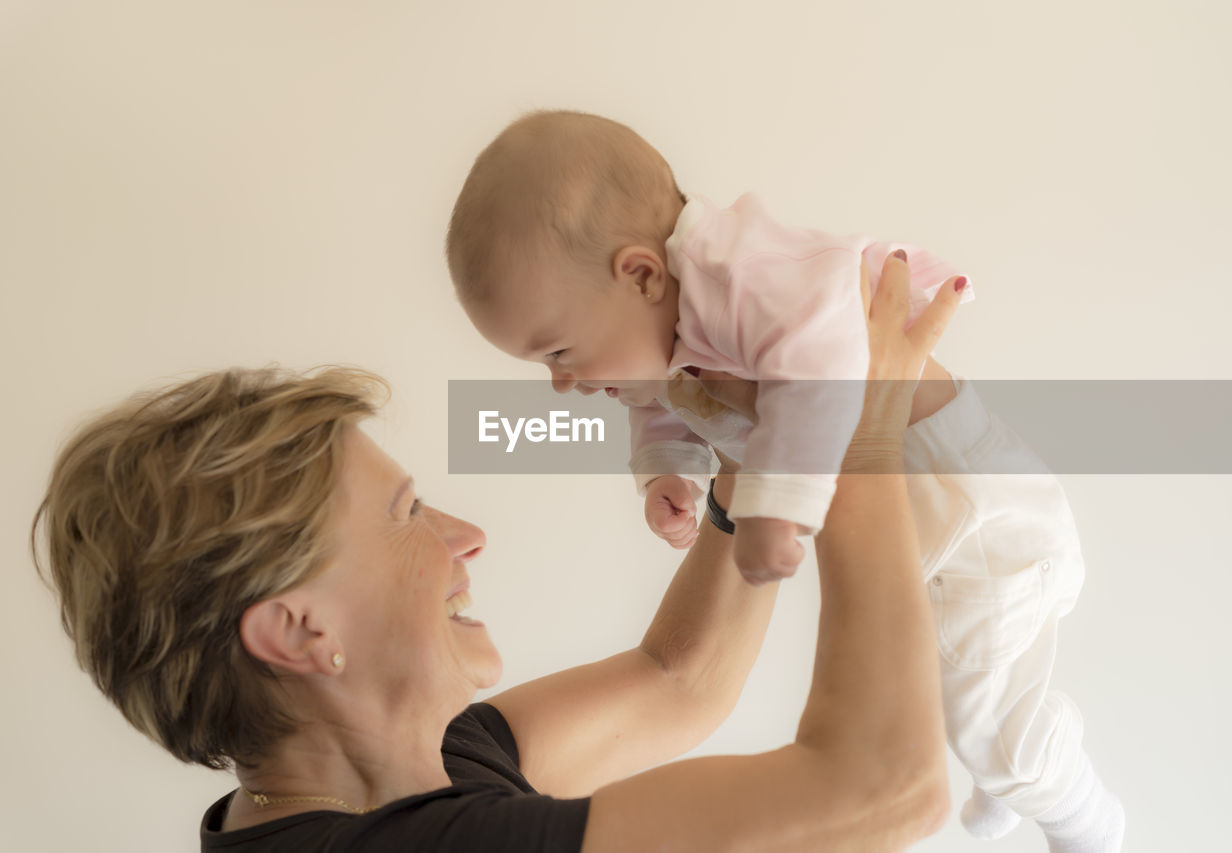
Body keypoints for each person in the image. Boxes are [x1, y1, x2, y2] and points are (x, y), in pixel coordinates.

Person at [33, 253, 952, 851]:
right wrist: (857, 434)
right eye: (406, 514)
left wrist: (755, 464)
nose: (466, 535)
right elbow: (883, 788)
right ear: (301, 629)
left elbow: (679, 679)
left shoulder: (414, 774)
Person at [446, 110, 1124, 851]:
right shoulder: (662, 323)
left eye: (559, 351)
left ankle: (1081, 813)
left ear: (640, 273)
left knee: (993, 728)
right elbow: (663, 399)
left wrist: (774, 505)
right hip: (927, 526)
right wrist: (665, 472)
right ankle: (997, 770)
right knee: (947, 684)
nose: (560, 383)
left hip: (977, 517)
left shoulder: (750, 279)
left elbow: (826, 380)